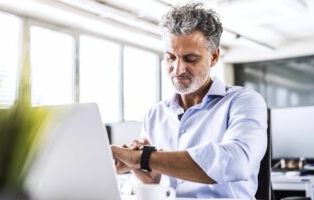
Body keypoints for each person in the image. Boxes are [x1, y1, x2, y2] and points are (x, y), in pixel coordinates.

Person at [111, 2, 267, 199]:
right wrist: (148, 179)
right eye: (170, 57)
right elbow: (144, 181)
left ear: (214, 56)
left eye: (190, 59)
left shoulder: (243, 101)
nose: (177, 70)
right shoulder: (155, 114)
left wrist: (145, 158)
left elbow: (235, 161)